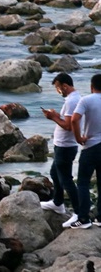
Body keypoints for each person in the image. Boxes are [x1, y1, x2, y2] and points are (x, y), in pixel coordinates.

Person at [41, 73, 81, 228]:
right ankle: (58, 203)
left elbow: (69, 126)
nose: (58, 91)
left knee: (66, 179)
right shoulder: (73, 100)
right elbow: (67, 121)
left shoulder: (72, 101)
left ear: (65, 86)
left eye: (58, 88)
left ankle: (78, 213)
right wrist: (57, 115)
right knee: (54, 173)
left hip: (66, 146)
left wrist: (53, 118)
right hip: (62, 145)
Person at [71, 74, 101, 229]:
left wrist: (78, 138)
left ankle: (83, 218)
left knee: (83, 182)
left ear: (91, 86)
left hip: (91, 146)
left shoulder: (86, 100)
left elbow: (74, 119)